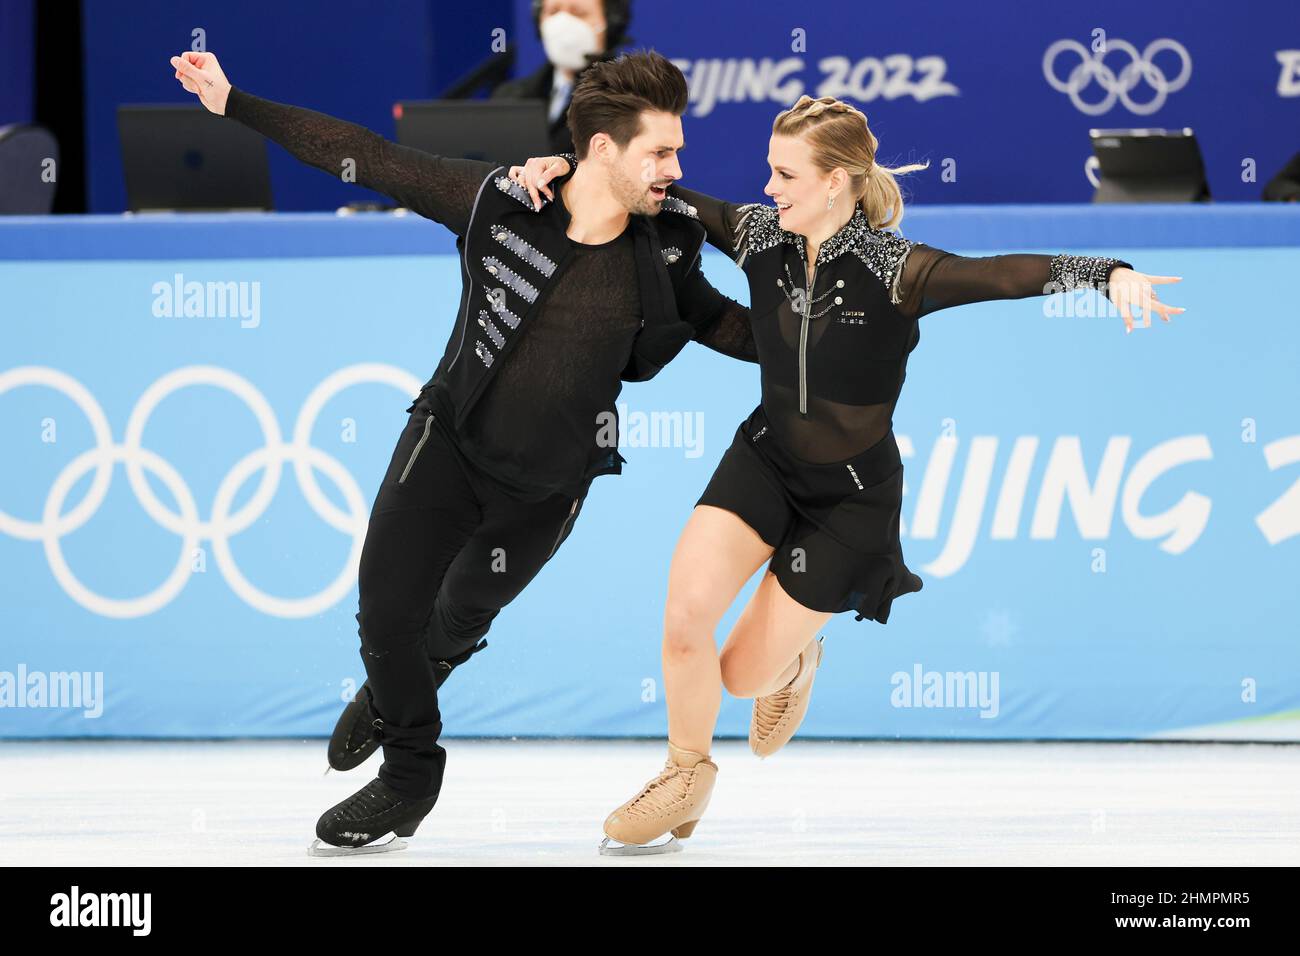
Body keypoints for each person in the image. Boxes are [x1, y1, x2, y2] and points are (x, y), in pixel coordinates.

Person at [512, 95, 1184, 854]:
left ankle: (797, 658)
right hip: (763, 462)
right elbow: (653, 191)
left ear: (837, 182)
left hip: (850, 503)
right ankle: (685, 773)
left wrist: (1107, 271)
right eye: (769, 171)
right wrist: (566, 164)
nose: (767, 187)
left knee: (739, 675)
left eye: (784, 174)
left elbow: (1002, 274)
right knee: (682, 620)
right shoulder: (759, 234)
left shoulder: (898, 269)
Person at [169, 48, 757, 854]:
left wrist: (829, 342)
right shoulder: (500, 204)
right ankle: (411, 777)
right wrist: (233, 100)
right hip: (445, 447)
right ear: (602, 149)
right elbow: (373, 159)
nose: (676, 168)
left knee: (453, 623)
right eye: (660, 151)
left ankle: (389, 700)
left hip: (548, 490)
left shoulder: (665, 246)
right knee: (386, 615)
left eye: (678, 151)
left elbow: (722, 321)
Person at [492, 0, 632, 154]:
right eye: (553, 12)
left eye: (578, 13)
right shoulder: (509, 97)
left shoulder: (628, 98)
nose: (563, 22)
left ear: (611, 24)